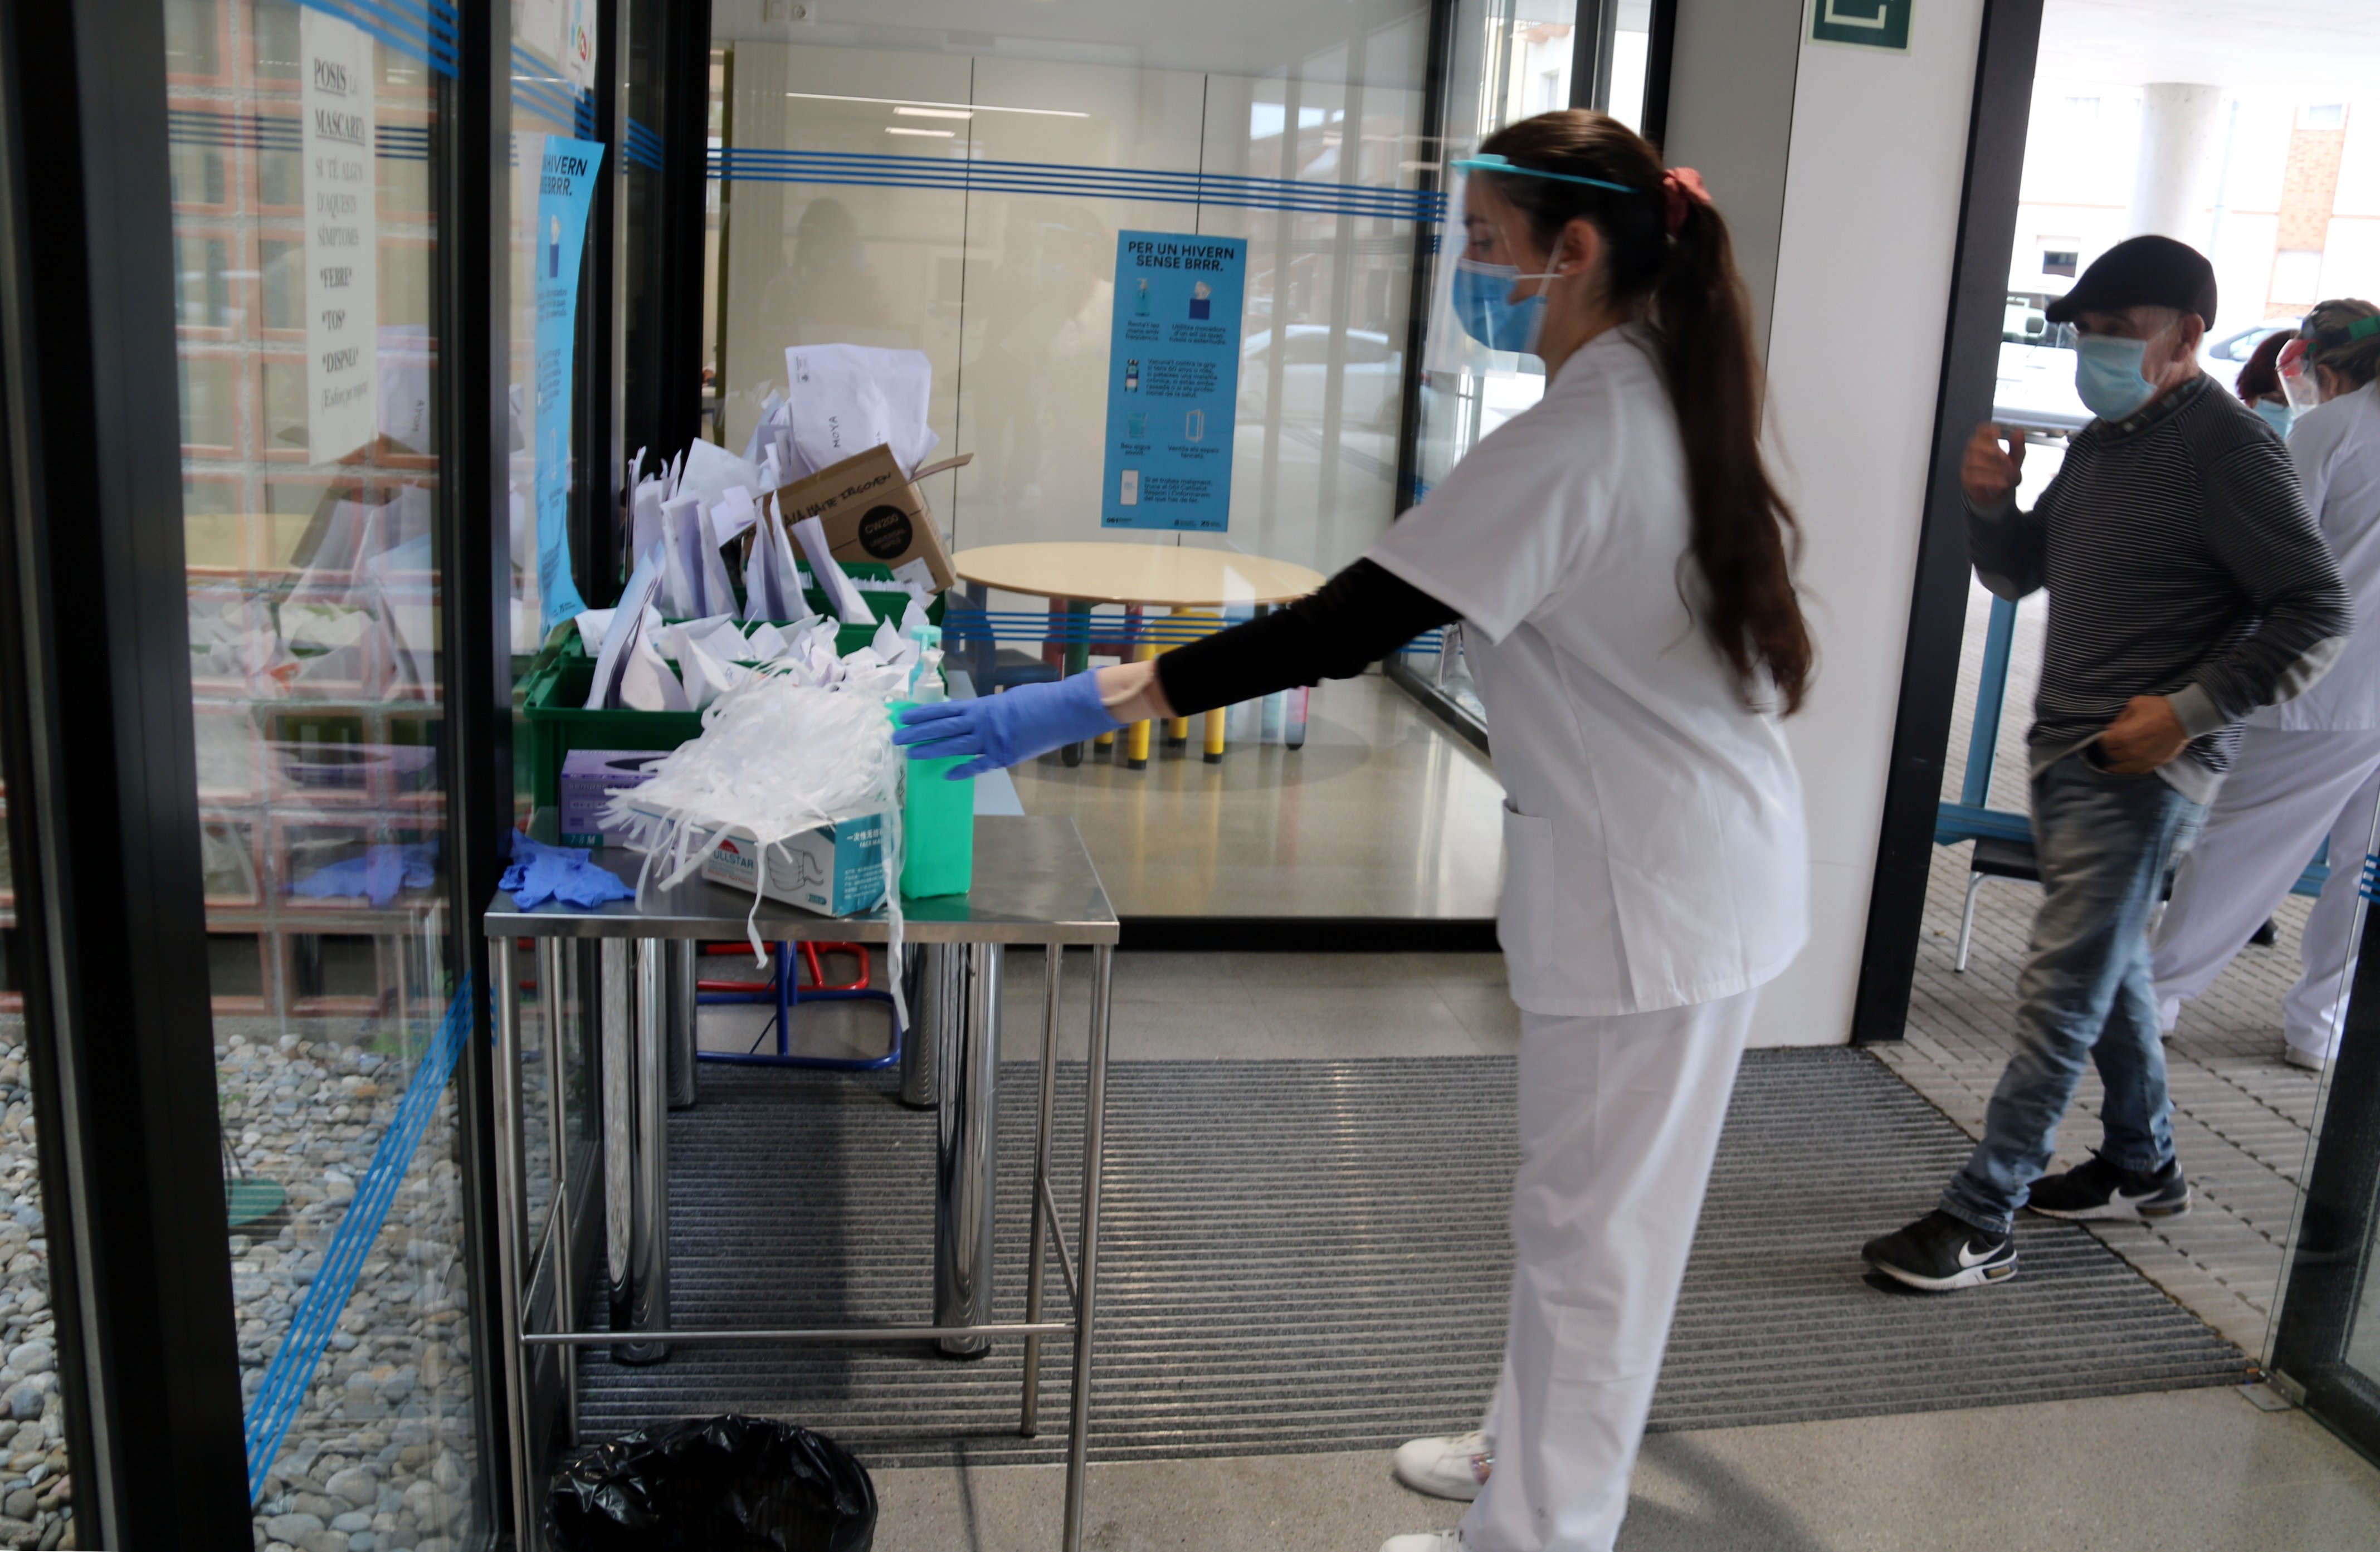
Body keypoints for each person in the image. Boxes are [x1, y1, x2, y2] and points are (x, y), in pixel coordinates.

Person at [896, 109, 1811, 1552]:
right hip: (1674, 867)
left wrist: (1077, 701)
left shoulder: (1588, 432)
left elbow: (1348, 624)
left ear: (1573, 251)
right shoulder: (1649, 393)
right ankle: (1526, 1457)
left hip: (1656, 897)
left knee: (1595, 1240)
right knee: (1575, 1211)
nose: (1469, 271)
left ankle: (1541, 1533)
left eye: (1486, 246)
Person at [1862, 236, 2352, 1294]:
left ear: (2186, 337)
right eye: (2084, 333)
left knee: (2060, 991)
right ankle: (2144, 1163)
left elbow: (2316, 610)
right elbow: (2017, 573)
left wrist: (2185, 713)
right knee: (2111, 971)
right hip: (2069, 752)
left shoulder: (2229, 448)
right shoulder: (2105, 441)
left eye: (2119, 335)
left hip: (2144, 768)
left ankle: (1982, 1214)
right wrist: (1991, 501)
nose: (2096, 352)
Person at [2150, 299, 2380, 1072]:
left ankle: (2153, 996)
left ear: (2323, 365)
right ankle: (2321, 1027)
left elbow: (2278, 553)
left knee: (2241, 849)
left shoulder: (2330, 428)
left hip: (2321, 687)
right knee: (2365, 870)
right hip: (2365, 694)